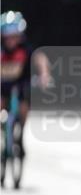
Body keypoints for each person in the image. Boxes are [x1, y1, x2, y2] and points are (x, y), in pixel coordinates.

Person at [1, 11, 51, 154]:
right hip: (3, 84)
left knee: (23, 107)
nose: (11, 40)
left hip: (22, 83)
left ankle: (20, 133)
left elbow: (40, 59)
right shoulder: (1, 50)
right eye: (7, 37)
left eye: (14, 36)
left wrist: (44, 75)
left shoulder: (26, 49)